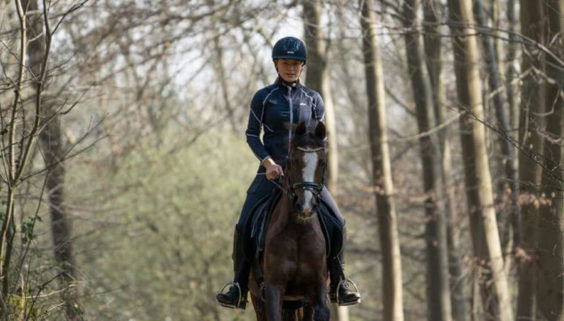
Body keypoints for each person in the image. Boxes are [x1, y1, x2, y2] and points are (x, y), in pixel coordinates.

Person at [216, 36, 361, 309]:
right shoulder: (264, 97)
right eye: (285, 62)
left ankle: (340, 281)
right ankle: (237, 285)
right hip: (271, 174)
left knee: (338, 222)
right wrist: (268, 163)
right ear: (276, 64)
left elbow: (319, 139)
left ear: (303, 65)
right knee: (244, 222)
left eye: (296, 63)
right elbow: (251, 134)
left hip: (304, 178)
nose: (290, 67)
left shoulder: (313, 99)